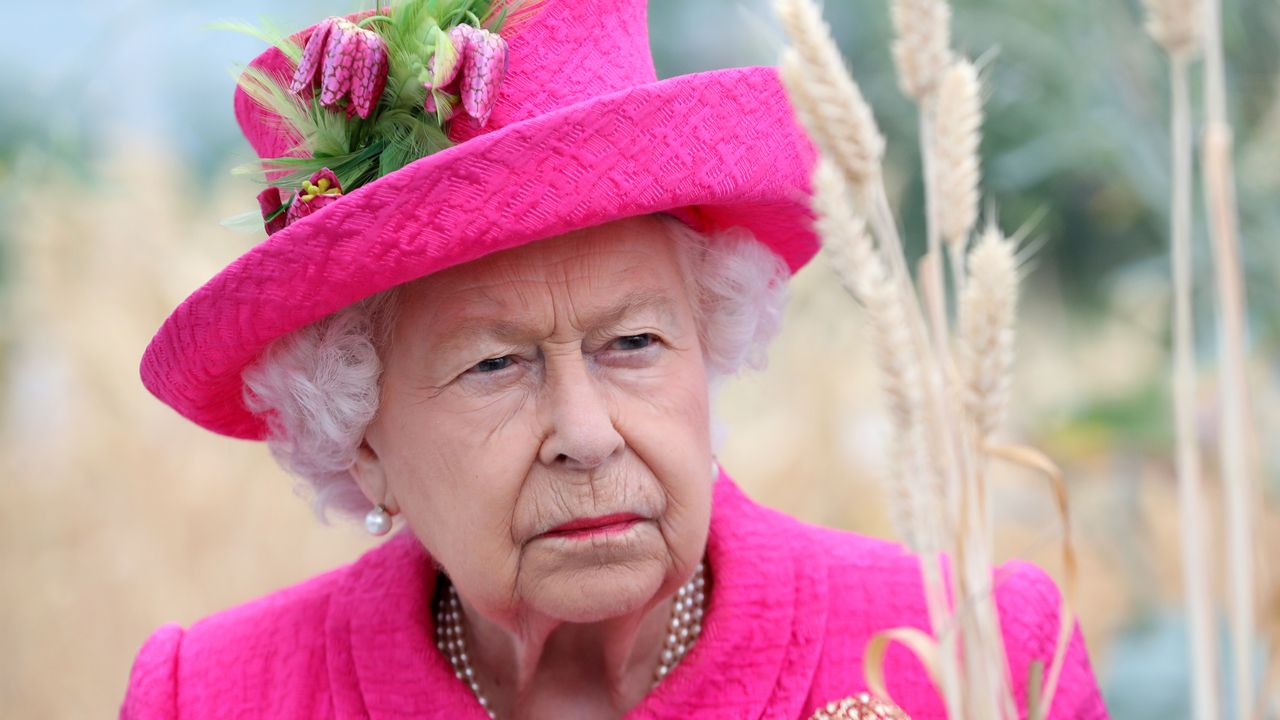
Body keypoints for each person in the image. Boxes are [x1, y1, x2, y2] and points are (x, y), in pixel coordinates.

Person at [122, 0, 1109, 717]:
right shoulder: (210, 696)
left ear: (708, 343)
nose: (585, 437)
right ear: (359, 436)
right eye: (492, 366)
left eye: (632, 343)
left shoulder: (975, 659)